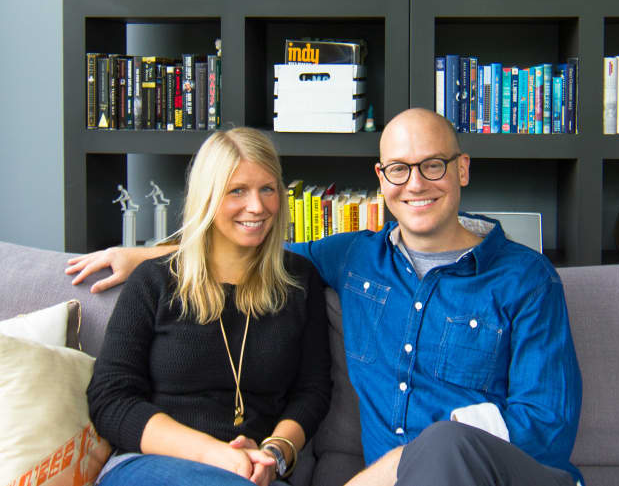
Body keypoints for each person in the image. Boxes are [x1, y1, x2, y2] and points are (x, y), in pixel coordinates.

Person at [69, 109, 582, 486]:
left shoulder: (526, 280)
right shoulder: (355, 258)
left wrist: (402, 463)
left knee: (444, 444)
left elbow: (547, 426)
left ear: (462, 170)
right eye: (399, 169)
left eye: (434, 166)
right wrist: (143, 256)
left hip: (496, 477)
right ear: (381, 181)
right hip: (189, 469)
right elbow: (246, 242)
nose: (416, 184)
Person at [84, 127, 331, 486]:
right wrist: (217, 455)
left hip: (252, 473)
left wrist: (275, 453)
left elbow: (312, 391)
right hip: (152, 465)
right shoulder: (154, 282)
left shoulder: (299, 281)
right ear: (208, 196)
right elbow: (111, 399)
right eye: (237, 191)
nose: (257, 207)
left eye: (268, 188)